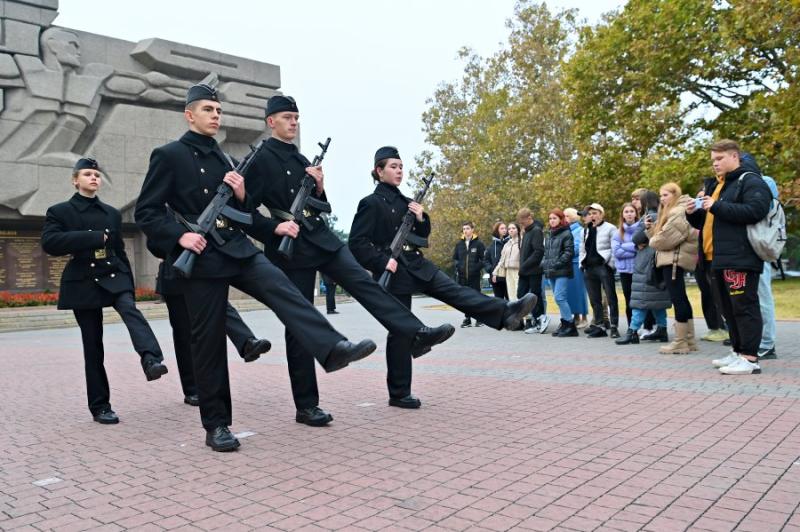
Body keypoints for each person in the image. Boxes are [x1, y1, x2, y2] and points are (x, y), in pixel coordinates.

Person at [135, 84, 379, 451]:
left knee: (285, 291)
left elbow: (245, 214)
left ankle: (332, 348)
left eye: (218, 110)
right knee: (209, 342)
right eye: (207, 109)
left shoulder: (225, 160)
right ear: (189, 115)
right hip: (201, 256)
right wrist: (179, 237)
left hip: (237, 249)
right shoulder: (168, 156)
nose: (215, 115)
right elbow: (147, 212)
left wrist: (244, 197)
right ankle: (217, 425)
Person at [244, 97, 455, 420]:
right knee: (300, 322)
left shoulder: (301, 158)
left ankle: (416, 331)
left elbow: (319, 206)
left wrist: (320, 188)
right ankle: (307, 405)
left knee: (365, 285)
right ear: (271, 121)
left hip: (321, 239)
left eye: (297, 117)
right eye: (287, 117)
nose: (294, 122)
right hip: (290, 247)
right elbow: (246, 213)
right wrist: (274, 228)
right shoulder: (260, 160)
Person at [349, 146, 537, 408]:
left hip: (416, 263)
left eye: (401, 166)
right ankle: (399, 393)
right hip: (394, 268)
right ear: (379, 171)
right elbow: (356, 243)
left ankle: (505, 312)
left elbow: (421, 235)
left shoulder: (407, 202)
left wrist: (421, 217)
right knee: (400, 331)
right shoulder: (370, 203)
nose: (399, 171)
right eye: (393, 166)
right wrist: (382, 262)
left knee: (457, 292)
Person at [42, 157, 169, 425]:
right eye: (87, 174)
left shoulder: (111, 213)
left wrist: (129, 283)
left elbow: (119, 250)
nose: (93, 178)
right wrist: (92, 237)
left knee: (130, 309)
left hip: (113, 273)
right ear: (75, 180)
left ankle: (151, 359)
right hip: (83, 280)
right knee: (93, 346)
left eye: (97, 175)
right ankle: (100, 406)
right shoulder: (59, 211)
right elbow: (50, 243)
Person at [686, 139, 771, 375]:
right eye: (713, 160)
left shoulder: (750, 180)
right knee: (728, 309)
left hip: (740, 256)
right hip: (715, 257)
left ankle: (750, 358)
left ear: (735, 156)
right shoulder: (718, 185)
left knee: (744, 307)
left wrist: (715, 206)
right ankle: (738, 351)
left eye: (720, 158)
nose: (715, 164)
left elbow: (756, 211)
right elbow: (707, 222)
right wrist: (692, 214)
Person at [152, 258, 272, 407]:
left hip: (202, 269)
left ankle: (247, 342)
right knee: (183, 334)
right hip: (174, 274)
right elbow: (156, 245)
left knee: (220, 305)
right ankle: (191, 390)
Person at [646, 183, 698, 354]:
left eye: (666, 195)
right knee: (681, 297)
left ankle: (680, 342)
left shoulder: (678, 212)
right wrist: (651, 229)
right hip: (673, 258)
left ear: (675, 194)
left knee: (678, 299)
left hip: (674, 259)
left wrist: (652, 240)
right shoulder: (674, 211)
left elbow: (665, 239)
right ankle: (689, 340)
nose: (662, 199)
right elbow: (661, 235)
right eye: (661, 195)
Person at [615, 230, 672, 345]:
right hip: (657, 281)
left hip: (647, 281)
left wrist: (645, 229)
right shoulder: (657, 242)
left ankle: (632, 332)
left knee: (639, 306)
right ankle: (662, 330)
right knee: (658, 306)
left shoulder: (648, 247)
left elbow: (637, 238)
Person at [579, 203, 620, 338]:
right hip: (589, 268)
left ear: (601, 214)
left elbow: (614, 248)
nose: (592, 216)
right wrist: (581, 264)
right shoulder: (585, 230)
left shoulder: (610, 228)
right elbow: (582, 249)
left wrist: (610, 265)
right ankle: (599, 325)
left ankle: (614, 326)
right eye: (590, 214)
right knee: (594, 300)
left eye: (595, 213)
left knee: (611, 297)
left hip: (603, 266)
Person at [542, 209, 577, 337]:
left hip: (562, 270)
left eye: (554, 218)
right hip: (551, 271)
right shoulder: (549, 234)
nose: (552, 221)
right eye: (550, 218)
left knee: (559, 297)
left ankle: (570, 325)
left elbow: (569, 252)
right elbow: (546, 253)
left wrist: (556, 263)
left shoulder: (566, 233)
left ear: (561, 219)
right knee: (558, 299)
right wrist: (544, 263)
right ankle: (565, 324)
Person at [517, 208, 548, 333]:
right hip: (524, 271)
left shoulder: (536, 231)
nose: (521, 224)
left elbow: (538, 252)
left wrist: (525, 265)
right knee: (521, 294)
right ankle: (532, 319)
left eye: (523, 222)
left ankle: (540, 319)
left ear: (529, 218)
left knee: (535, 296)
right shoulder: (526, 232)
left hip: (534, 270)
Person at [453, 221, 486, 327]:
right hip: (462, 277)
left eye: (467, 228)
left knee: (476, 297)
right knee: (465, 299)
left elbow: (484, 259)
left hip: (474, 276)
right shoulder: (459, 244)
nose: (465, 231)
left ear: (472, 230)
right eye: (464, 229)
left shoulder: (479, 244)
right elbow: (455, 259)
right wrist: (458, 266)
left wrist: (476, 268)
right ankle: (467, 319)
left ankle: (479, 319)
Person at [612, 203, 639, 329]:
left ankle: (647, 327)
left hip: (639, 270)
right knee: (629, 300)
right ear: (622, 215)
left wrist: (623, 246)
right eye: (626, 212)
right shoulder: (617, 233)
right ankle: (631, 328)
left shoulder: (641, 230)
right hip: (625, 272)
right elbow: (617, 252)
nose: (629, 214)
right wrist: (635, 247)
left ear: (636, 214)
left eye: (631, 211)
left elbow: (644, 248)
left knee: (642, 299)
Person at [564, 208, 589, 328]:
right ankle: (576, 316)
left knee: (579, 291)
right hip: (568, 264)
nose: (564, 219)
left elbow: (578, 248)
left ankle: (584, 317)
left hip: (575, 264)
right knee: (571, 292)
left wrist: (564, 253)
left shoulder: (579, 230)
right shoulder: (567, 230)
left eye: (566, 216)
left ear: (573, 217)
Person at [493, 222, 521, 305]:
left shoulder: (522, 241)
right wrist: (495, 272)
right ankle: (515, 312)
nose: (511, 230)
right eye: (509, 229)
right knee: (511, 295)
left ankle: (523, 312)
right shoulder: (507, 244)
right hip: (508, 271)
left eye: (513, 228)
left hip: (518, 271)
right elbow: (501, 260)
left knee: (519, 293)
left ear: (518, 230)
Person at [484, 221, 509, 300]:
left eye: (505, 228)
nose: (504, 230)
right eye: (502, 228)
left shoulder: (510, 243)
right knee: (498, 302)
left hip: (508, 277)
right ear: (497, 230)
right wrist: (491, 269)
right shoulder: (491, 246)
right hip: (496, 279)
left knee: (510, 301)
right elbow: (486, 261)